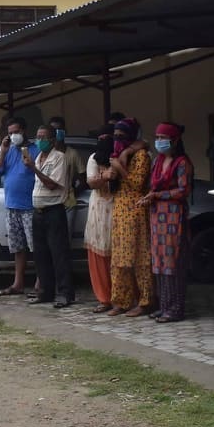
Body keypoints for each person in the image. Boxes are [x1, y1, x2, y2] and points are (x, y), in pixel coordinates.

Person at [144, 123, 192, 322]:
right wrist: (149, 197)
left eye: (163, 137)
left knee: (173, 263)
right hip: (157, 216)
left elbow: (183, 190)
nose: (159, 141)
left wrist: (158, 195)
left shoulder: (182, 163)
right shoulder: (158, 161)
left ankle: (175, 308)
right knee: (159, 262)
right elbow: (151, 186)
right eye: (157, 137)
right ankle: (163, 305)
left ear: (174, 140)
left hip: (174, 216)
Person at [107, 118, 154, 317]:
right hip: (119, 210)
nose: (118, 139)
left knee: (140, 258)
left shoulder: (142, 155)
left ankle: (145, 301)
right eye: (115, 135)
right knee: (119, 259)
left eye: (122, 135)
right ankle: (121, 301)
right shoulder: (118, 154)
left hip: (135, 210)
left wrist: (120, 168)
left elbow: (136, 183)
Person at [25, 124, 73, 308]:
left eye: (43, 137)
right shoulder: (38, 157)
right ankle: (46, 291)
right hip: (38, 212)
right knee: (41, 255)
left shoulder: (59, 158)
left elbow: (53, 185)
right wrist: (33, 166)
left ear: (52, 140)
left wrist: (33, 169)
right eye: (38, 137)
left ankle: (65, 293)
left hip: (54, 211)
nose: (40, 140)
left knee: (58, 254)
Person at [0, 117, 37, 296]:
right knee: (18, 248)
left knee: (35, 247)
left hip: (30, 206)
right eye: (10, 133)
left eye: (16, 132)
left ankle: (41, 282)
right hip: (12, 206)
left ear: (24, 131)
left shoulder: (35, 150)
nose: (13, 135)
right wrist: (3, 151)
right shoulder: (9, 151)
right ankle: (18, 283)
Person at [84, 127, 116, 312]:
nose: (103, 140)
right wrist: (105, 176)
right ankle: (104, 298)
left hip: (117, 208)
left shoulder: (120, 157)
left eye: (107, 138)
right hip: (98, 211)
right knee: (99, 256)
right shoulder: (94, 158)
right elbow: (91, 182)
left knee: (117, 254)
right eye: (101, 138)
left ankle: (122, 296)